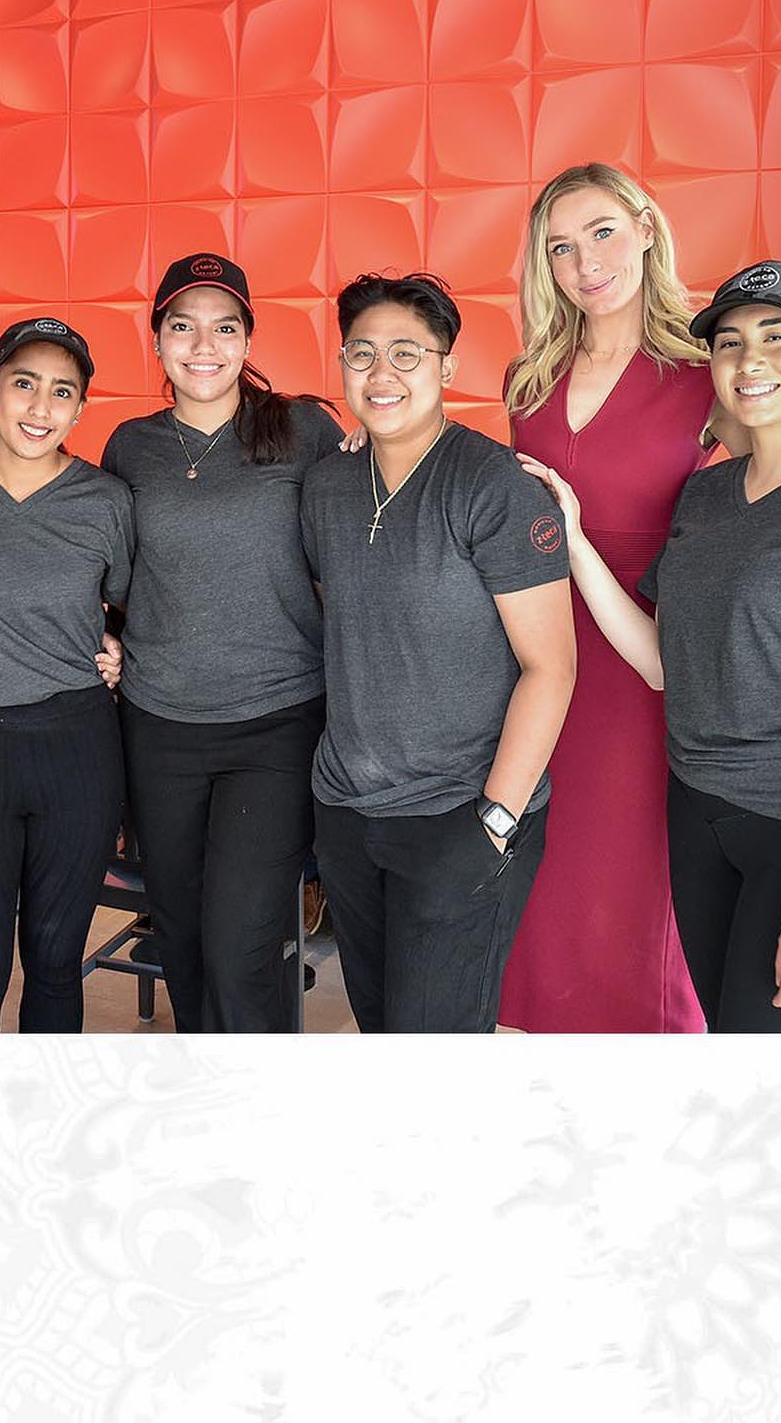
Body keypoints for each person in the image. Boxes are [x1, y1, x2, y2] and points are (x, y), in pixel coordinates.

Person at [497, 163, 781, 1034]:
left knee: (637, 898)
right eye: (561, 247)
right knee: (547, 883)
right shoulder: (529, 377)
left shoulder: (706, 369)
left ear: (646, 229)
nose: (585, 263)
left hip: (660, 662)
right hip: (538, 651)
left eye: (603, 232)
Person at [301, 272, 577, 1034]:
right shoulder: (326, 487)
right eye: (361, 354)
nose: (380, 373)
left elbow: (552, 667)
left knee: (437, 1048)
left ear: (447, 367)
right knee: (381, 1025)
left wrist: (496, 819)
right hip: (348, 812)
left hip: (459, 814)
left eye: (406, 353)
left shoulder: (493, 486)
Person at [101, 253, 343, 1033]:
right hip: (159, 724)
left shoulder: (304, 430)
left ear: (247, 340)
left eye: (224, 328)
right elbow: (109, 570)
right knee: (180, 935)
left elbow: (359, 547)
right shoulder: (130, 446)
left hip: (275, 723)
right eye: (183, 327)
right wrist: (103, 637)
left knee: (241, 942)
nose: (203, 346)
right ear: (157, 340)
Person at [0, 317, 134, 1033]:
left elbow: (134, 605)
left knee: (54, 963)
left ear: (81, 409)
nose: (41, 407)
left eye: (62, 392)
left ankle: (45, 1108)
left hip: (77, 749)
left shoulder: (106, 501)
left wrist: (118, 643)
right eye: (24, 384)